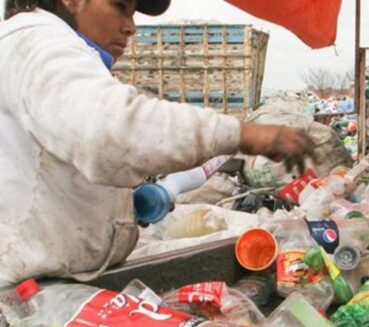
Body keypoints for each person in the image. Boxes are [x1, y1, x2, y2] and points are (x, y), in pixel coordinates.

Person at [0, 0, 316, 286]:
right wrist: (243, 134)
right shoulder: (39, 44)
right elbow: (111, 133)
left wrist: (125, 206)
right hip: (28, 294)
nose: (131, 26)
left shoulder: (42, 46)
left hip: (55, 280)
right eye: (121, 7)